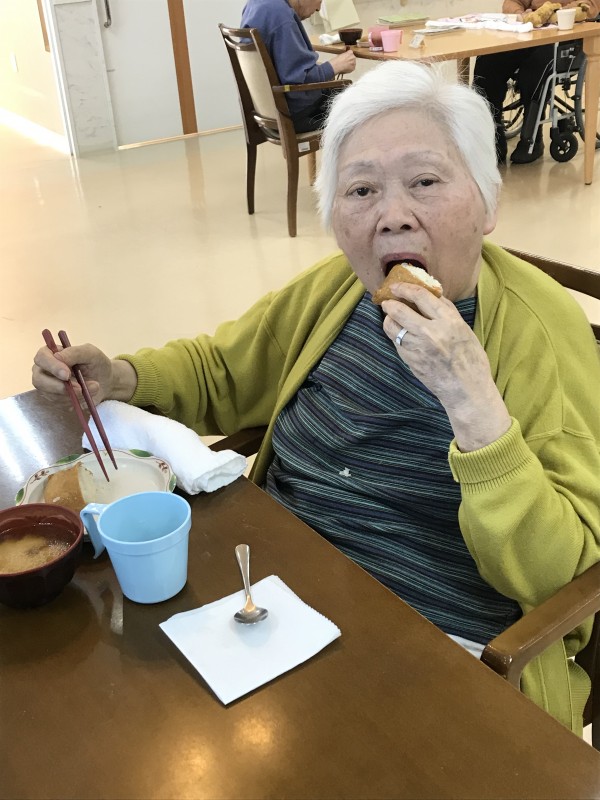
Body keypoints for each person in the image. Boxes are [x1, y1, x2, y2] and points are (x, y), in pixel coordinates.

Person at [33, 60, 600, 737]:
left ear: (489, 203)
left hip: (435, 644)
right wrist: (121, 376)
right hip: (262, 594)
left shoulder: (542, 332)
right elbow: (223, 367)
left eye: (425, 181)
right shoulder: (337, 290)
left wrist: (473, 402)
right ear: (333, 216)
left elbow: (560, 574)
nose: (392, 217)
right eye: (361, 190)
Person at [473, 0, 599, 164]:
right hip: (531, 33)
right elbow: (512, 2)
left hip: (568, 36)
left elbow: (591, 6)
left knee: (535, 67)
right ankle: (493, 134)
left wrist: (554, 14)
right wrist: (522, 14)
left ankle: (532, 137)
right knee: (487, 62)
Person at [240, 0, 356, 132]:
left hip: (267, 113)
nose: (318, 8)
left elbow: (283, 68)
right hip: (295, 115)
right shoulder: (281, 15)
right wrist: (334, 66)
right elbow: (298, 82)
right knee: (363, 104)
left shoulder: (254, 5)